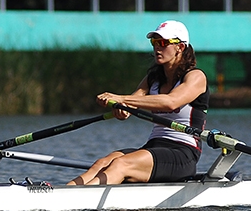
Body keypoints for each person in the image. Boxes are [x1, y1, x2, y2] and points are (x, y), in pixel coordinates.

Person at [68, 20, 209, 186]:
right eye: (154, 42)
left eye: (163, 43)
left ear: (180, 47)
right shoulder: (153, 79)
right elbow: (129, 108)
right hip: (153, 147)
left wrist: (122, 98)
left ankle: (81, 198)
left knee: (121, 164)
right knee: (103, 163)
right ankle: (62, 193)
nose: (157, 48)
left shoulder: (196, 77)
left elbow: (171, 102)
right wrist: (120, 109)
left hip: (182, 154)